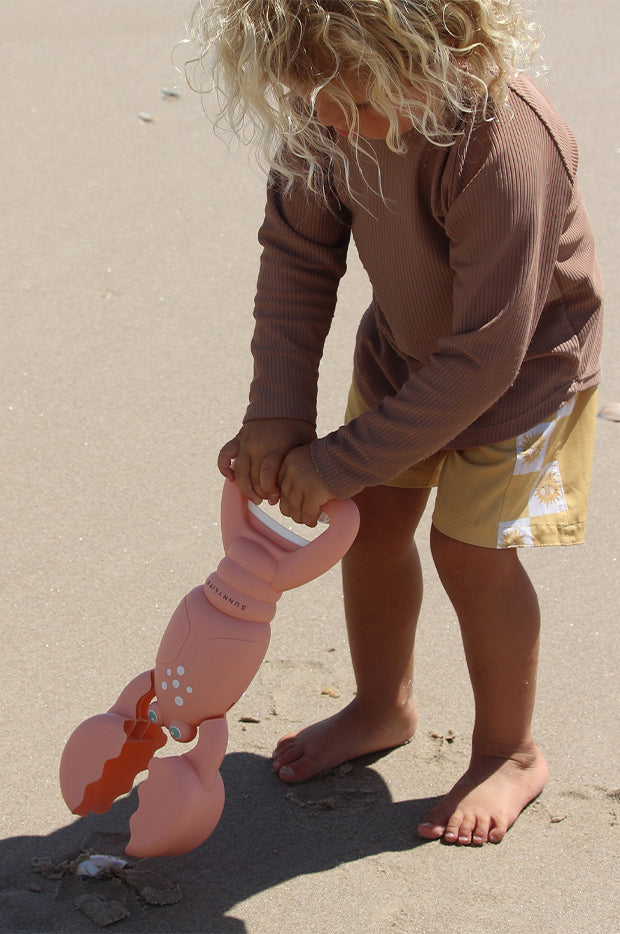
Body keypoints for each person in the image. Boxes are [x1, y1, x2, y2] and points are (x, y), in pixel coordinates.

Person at [188, 0, 603, 845]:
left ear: (447, 49)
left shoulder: (506, 144)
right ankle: (383, 705)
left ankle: (508, 751)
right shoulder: (331, 109)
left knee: (469, 553)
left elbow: (488, 353)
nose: (339, 124)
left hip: (525, 373)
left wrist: (342, 457)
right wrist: (276, 412)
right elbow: (300, 258)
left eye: (360, 105)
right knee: (369, 523)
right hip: (405, 353)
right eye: (318, 103)